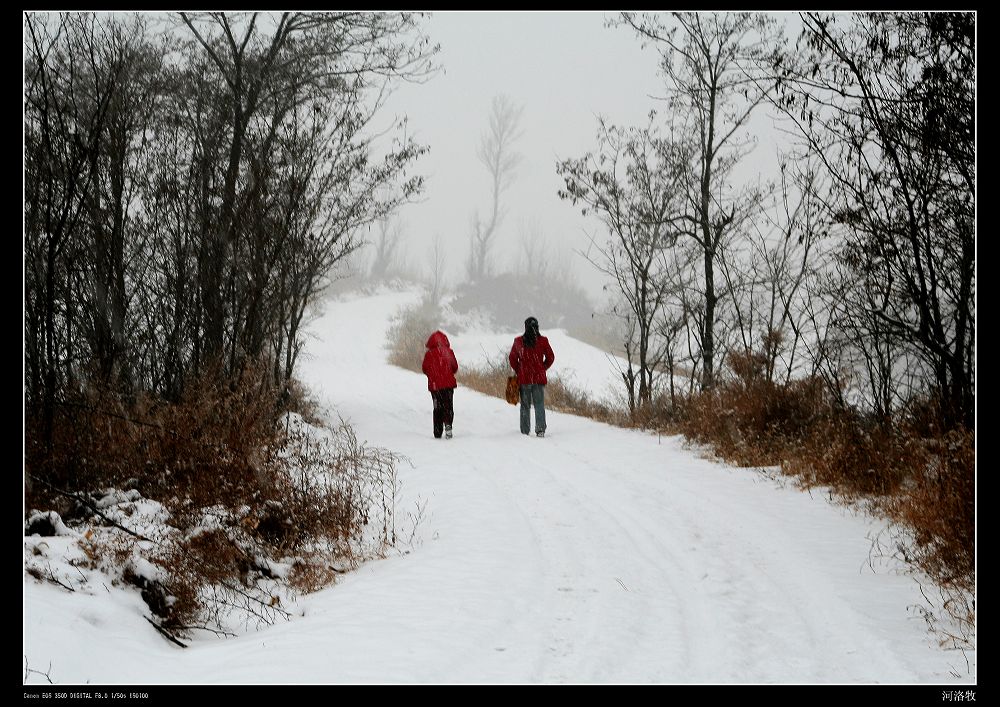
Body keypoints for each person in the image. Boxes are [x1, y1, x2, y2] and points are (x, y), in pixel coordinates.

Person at [508, 316, 555, 437]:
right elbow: (551, 357)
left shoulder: (518, 341)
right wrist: (542, 368)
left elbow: (512, 359)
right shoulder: (543, 341)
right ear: (537, 327)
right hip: (538, 378)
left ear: (525, 327)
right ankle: (540, 430)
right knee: (539, 405)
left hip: (524, 379)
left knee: (525, 406)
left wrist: (519, 370)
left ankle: (525, 430)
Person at [422, 330, 459, 439]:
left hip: (435, 386)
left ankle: (437, 431)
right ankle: (448, 425)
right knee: (448, 405)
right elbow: (455, 367)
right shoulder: (449, 352)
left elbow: (425, 369)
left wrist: (432, 375)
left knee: (437, 407)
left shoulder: (429, 354)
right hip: (448, 385)